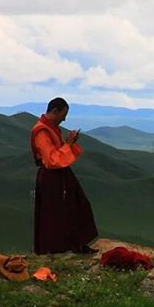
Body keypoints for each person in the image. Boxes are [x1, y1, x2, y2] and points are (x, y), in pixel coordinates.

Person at [30, 97, 98, 254]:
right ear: (55, 111)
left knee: (76, 205)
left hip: (61, 174)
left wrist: (70, 143)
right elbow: (51, 160)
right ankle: (54, 248)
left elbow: (59, 153)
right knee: (54, 212)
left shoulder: (51, 128)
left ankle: (76, 244)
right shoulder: (41, 131)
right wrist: (68, 144)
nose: (64, 119)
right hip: (51, 176)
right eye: (63, 114)